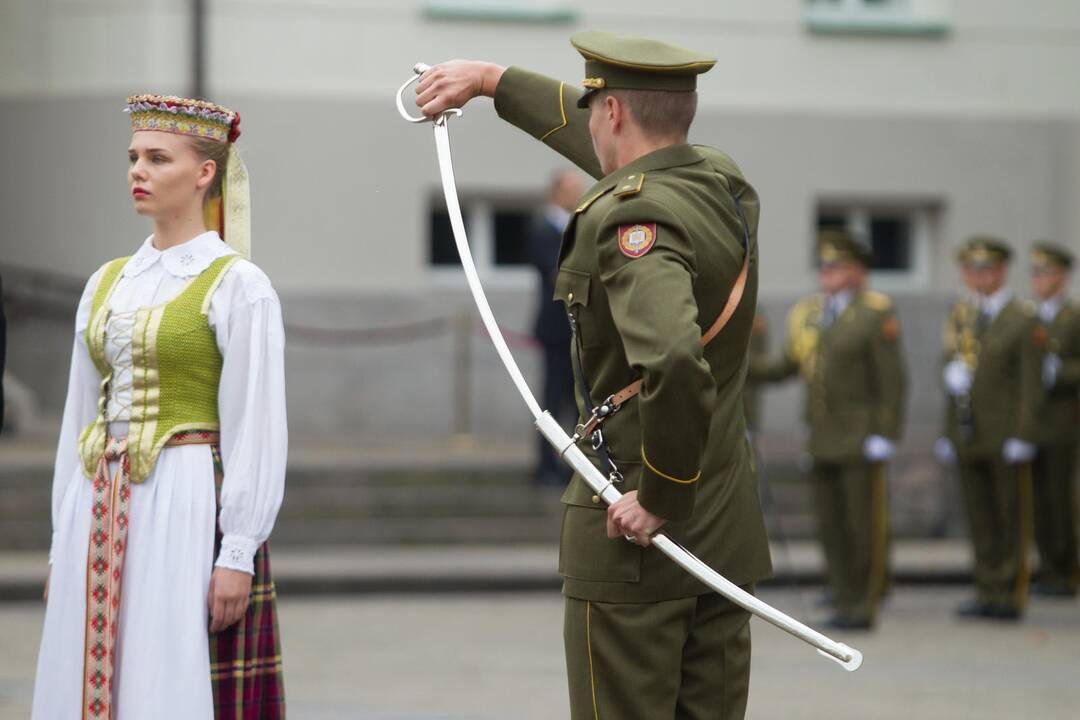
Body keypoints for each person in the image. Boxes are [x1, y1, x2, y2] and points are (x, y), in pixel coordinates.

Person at [416, 31, 772, 719]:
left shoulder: (634, 216)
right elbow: (621, 151)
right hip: (723, 529)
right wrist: (494, 81)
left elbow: (671, 358)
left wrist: (660, 495)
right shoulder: (721, 183)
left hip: (639, 534)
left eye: (596, 104)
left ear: (611, 114)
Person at [32, 94, 286, 719]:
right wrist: (62, 543)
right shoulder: (108, 280)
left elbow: (255, 423)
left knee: (162, 672)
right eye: (132, 158)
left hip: (183, 495)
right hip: (97, 499)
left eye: (156, 158)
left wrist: (237, 552)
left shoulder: (238, 284)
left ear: (204, 172)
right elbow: (78, 417)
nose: (136, 171)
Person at [748, 228, 906, 629]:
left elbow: (891, 380)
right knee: (831, 524)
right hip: (820, 435)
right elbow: (788, 365)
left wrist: (884, 434)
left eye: (836, 267)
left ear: (856, 271)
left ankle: (862, 604)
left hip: (859, 436)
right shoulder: (813, 314)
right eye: (824, 266)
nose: (827, 273)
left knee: (861, 525)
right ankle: (841, 593)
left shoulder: (875, 314)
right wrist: (739, 367)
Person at [937, 236, 1042, 620]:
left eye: (984, 269)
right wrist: (948, 432)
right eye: (969, 269)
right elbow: (949, 376)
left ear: (1000, 271)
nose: (975, 277)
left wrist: (1025, 434)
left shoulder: (1022, 316)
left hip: (1006, 434)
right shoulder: (963, 314)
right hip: (970, 433)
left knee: (1009, 516)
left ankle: (1010, 595)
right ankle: (986, 588)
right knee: (979, 515)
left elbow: (1032, 383)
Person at [1029, 242, 1080, 597]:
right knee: (1039, 502)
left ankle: (1066, 571)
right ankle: (1047, 569)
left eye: (1045, 273)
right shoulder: (1031, 316)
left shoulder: (1073, 317)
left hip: (1064, 421)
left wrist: (1058, 372)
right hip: (1034, 421)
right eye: (1034, 273)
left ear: (1061, 277)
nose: (1038, 280)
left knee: (1062, 500)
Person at [529, 169, 586, 486]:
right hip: (555, 330)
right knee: (551, 398)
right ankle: (546, 465)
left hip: (580, 330)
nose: (578, 194)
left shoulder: (578, 228)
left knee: (579, 401)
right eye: (572, 189)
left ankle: (575, 465)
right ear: (556, 193)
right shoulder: (543, 230)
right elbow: (556, 275)